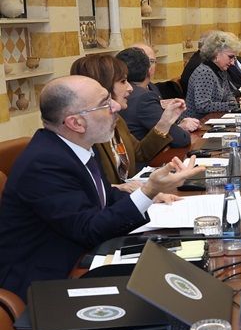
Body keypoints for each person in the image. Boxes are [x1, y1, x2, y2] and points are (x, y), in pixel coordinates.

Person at [0, 76, 202, 299]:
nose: (116, 106)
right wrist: (148, 191)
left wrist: (148, 197)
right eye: (105, 103)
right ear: (76, 123)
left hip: (84, 258)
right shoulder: (44, 164)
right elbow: (89, 229)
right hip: (46, 285)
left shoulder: (78, 145)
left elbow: (103, 195)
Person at [70, 54, 179, 186]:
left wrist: (165, 122)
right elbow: (93, 186)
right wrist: (123, 188)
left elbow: (140, 153)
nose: (130, 88)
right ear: (103, 86)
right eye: (123, 81)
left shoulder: (117, 120)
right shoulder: (87, 130)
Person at [117, 46, 200, 148]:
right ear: (148, 69)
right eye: (151, 62)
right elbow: (180, 139)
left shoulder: (150, 88)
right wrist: (179, 128)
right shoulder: (143, 97)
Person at [184, 30, 241, 118]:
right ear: (216, 53)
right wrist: (236, 105)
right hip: (197, 122)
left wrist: (235, 104)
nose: (232, 62)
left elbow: (228, 94)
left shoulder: (221, 70)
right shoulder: (205, 72)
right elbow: (203, 106)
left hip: (213, 117)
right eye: (230, 57)